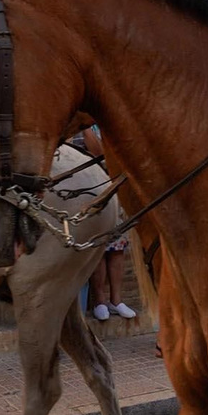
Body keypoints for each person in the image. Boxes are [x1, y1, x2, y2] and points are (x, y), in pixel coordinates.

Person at [81, 127, 135, 321]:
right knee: (99, 249)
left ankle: (116, 300)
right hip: (91, 188)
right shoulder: (83, 128)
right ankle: (100, 301)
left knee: (117, 247)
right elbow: (97, 151)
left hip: (114, 185)